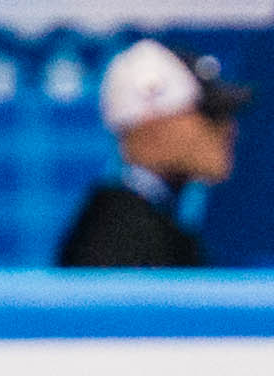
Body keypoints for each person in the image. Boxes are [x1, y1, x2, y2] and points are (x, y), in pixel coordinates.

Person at [56, 41, 249, 268]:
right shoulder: (120, 240)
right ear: (151, 125)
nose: (229, 128)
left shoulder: (144, 224)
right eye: (209, 114)